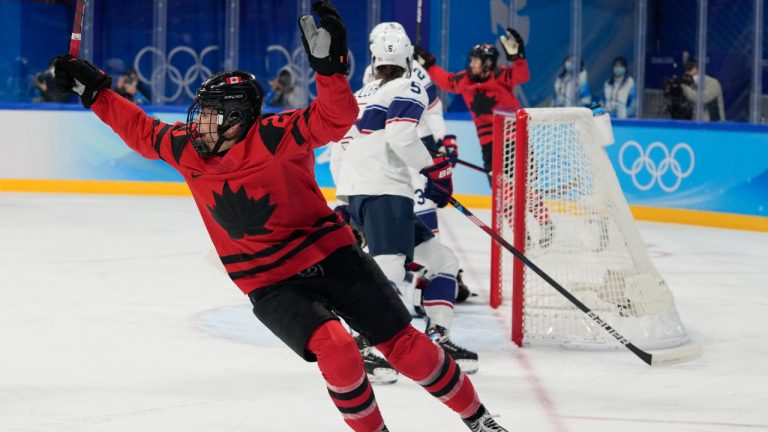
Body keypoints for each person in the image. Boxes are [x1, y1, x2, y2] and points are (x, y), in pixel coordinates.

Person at [52, 2, 507, 431]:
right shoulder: (187, 148)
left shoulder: (274, 135)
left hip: (331, 255)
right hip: (268, 281)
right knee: (338, 349)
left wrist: (331, 71)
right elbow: (140, 129)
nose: (199, 122)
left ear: (238, 117)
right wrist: (95, 91)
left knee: (405, 345)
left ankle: (479, 420)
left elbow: (335, 117)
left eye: (212, 114)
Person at [331, 28, 480, 379]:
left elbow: (339, 151)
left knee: (442, 261)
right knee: (391, 270)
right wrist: (435, 168)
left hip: (362, 192)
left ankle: (438, 337)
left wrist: (344, 203)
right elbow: (401, 134)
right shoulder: (410, 85)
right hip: (386, 191)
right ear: (408, 57)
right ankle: (364, 346)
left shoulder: (361, 94)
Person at [413, 28, 530, 176]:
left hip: (513, 138)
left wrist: (518, 59)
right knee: (500, 190)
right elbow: (447, 81)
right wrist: (429, 66)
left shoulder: (500, 75)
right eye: (472, 60)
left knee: (523, 185)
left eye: (476, 60)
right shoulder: (465, 80)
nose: (472, 64)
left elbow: (522, 76)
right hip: (489, 144)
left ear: (487, 63)